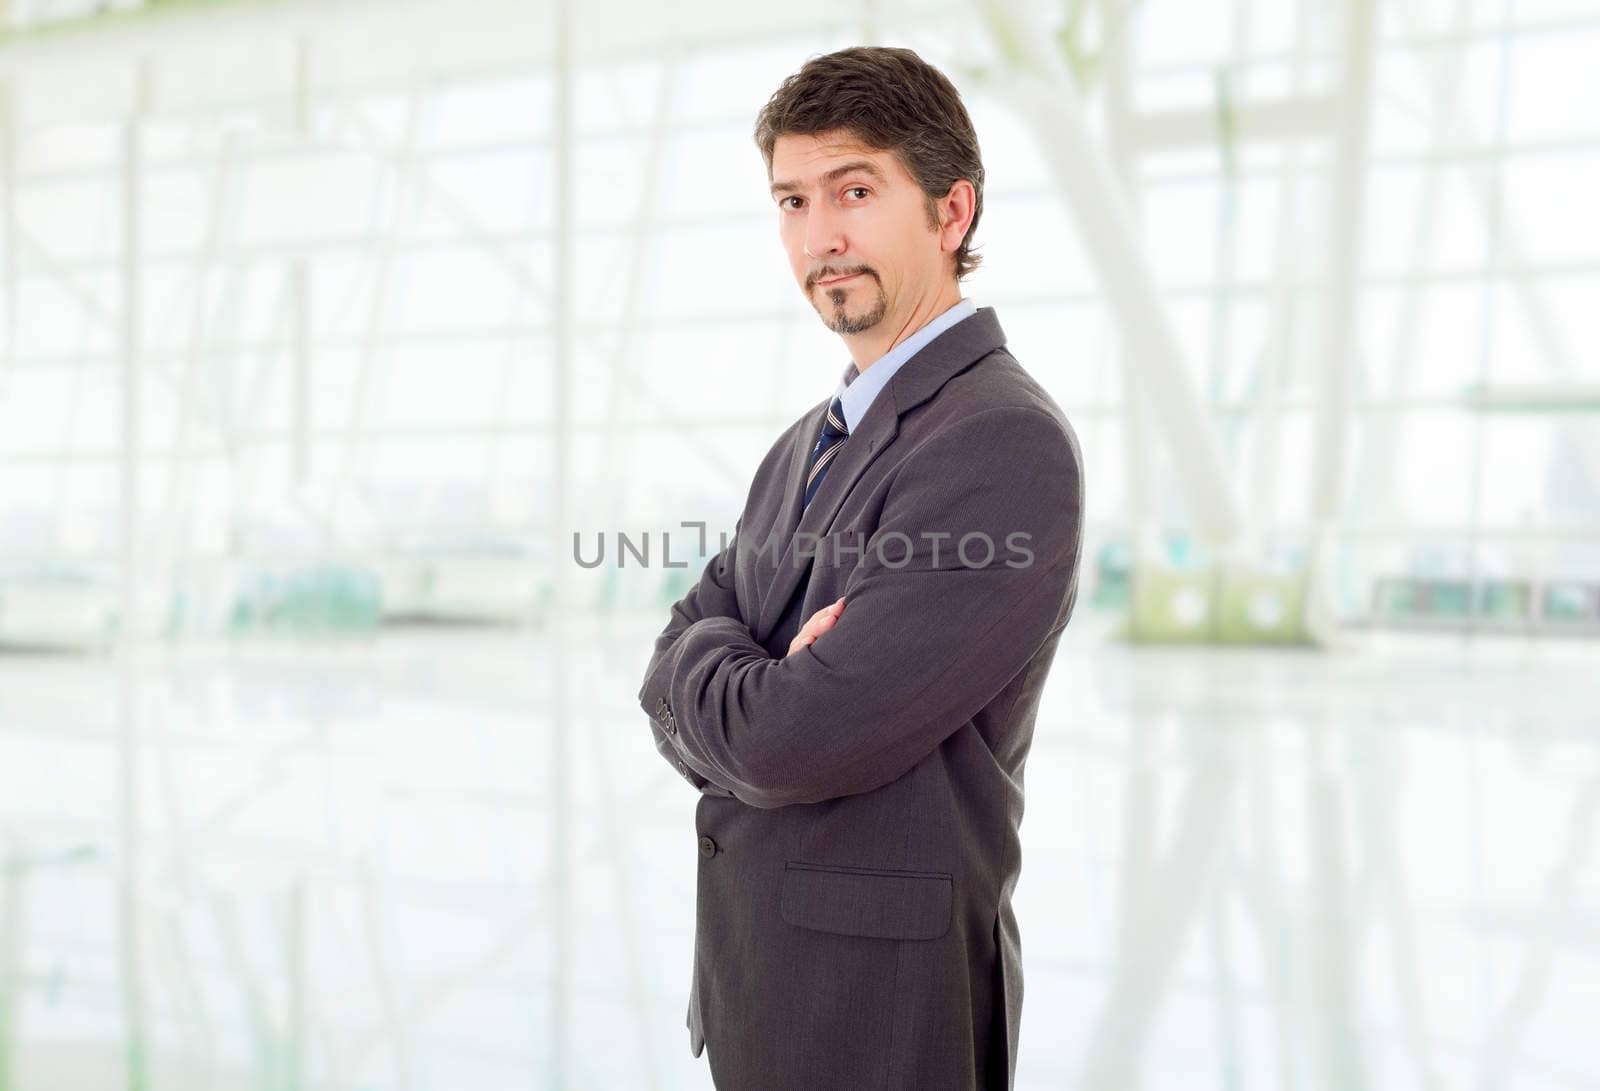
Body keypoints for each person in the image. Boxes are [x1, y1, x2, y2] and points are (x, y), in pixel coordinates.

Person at [637, 45, 1084, 1090]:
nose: (819, 235)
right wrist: (727, 654)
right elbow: (666, 659)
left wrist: (726, 664)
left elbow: (794, 737)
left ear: (951, 211)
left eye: (855, 189)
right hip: (763, 992)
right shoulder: (802, 442)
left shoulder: (998, 443)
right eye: (792, 200)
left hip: (881, 1020)